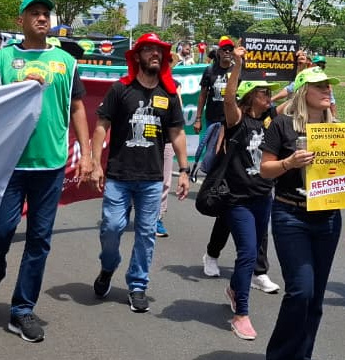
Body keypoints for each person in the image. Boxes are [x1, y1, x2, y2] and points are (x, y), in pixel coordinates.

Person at [0, 0, 91, 343]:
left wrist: (87, 154)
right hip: (9, 165)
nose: (41, 18)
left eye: (45, 14)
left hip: (51, 165)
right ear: (20, 20)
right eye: (33, 14)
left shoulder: (66, 62)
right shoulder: (4, 59)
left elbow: (78, 108)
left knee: (39, 241)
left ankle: (22, 309)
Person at [259, 66, 345, 360]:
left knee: (316, 298)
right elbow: (265, 170)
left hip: (328, 218)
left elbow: (344, 176)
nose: (327, 91)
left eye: (329, 86)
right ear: (304, 91)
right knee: (300, 291)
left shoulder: (339, 131)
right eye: (320, 87)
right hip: (291, 216)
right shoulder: (282, 125)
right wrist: (289, 163)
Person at [89, 33, 189, 314]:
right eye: (148, 50)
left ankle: (137, 285)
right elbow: (100, 127)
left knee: (146, 234)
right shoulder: (120, 90)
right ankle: (108, 267)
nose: (154, 55)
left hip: (151, 180)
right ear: (137, 57)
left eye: (158, 51)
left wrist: (184, 170)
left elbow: (178, 133)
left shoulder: (168, 95)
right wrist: (96, 163)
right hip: (119, 176)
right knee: (111, 228)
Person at [219, 44, 276, 340]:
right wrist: (238, 66)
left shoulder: (270, 124)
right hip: (237, 200)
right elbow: (229, 97)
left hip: (263, 198)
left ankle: (233, 288)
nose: (269, 96)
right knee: (248, 254)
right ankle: (241, 313)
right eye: (265, 92)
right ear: (253, 95)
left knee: (252, 253)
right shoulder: (237, 121)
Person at [189, 36, 234, 182]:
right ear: (219, 52)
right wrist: (197, 119)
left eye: (230, 50)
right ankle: (211, 183)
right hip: (213, 119)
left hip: (231, 121)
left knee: (230, 152)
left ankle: (226, 183)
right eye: (224, 49)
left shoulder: (237, 71)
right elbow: (202, 95)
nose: (227, 52)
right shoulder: (209, 71)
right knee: (212, 152)